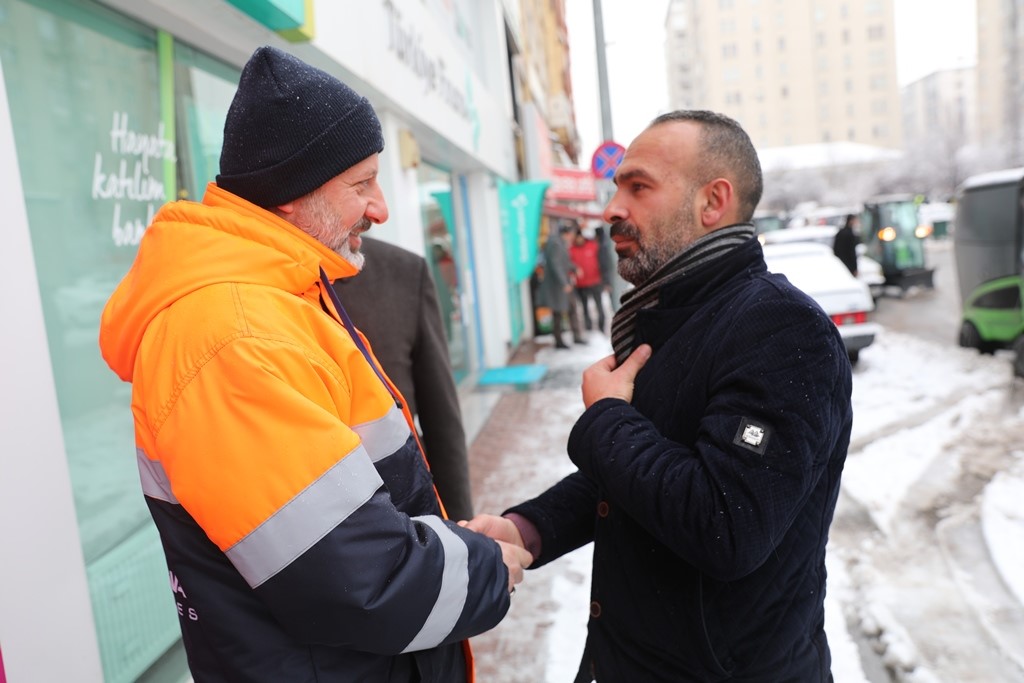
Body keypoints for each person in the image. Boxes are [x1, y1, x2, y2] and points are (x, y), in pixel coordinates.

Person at [98, 46, 530, 683]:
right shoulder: (234, 337)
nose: (381, 208)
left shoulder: (280, 300)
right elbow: (358, 583)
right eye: (362, 184)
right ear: (291, 196)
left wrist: (450, 538)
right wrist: (487, 564)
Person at [466, 110, 852, 681]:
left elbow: (726, 523)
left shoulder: (780, 329)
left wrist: (609, 418)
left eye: (638, 186)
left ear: (712, 202)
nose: (612, 208)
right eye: (617, 186)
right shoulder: (679, 318)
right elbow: (640, 475)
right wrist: (530, 528)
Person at [334, 235, 474, 521]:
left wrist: (460, 524)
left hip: (405, 521)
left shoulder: (401, 272)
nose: (377, 208)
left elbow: (442, 419)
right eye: (357, 187)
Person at [539, 222, 584, 349]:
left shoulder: (559, 243)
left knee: (566, 310)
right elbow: (556, 265)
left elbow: (565, 262)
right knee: (560, 312)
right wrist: (564, 283)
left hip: (561, 284)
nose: (573, 237)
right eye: (572, 234)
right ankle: (560, 340)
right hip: (558, 286)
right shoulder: (556, 244)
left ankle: (573, 337)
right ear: (568, 233)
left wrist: (574, 268)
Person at [569, 227, 608, 334]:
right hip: (581, 285)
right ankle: (589, 328)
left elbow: (603, 262)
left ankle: (601, 327)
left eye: (580, 237)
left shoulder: (593, 246)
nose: (579, 240)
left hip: (595, 282)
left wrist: (605, 280)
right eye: (577, 238)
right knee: (584, 308)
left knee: (599, 306)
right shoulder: (571, 249)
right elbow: (569, 266)